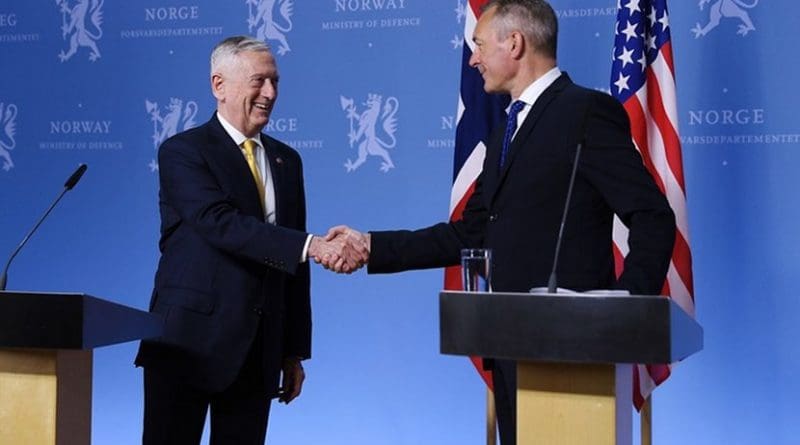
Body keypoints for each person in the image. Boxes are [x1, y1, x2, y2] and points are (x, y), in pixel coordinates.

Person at [323, 1, 677, 444]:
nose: (472, 58)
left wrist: (627, 303)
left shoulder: (587, 112)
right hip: (511, 344)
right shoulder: (503, 130)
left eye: (478, 44)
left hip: (576, 348)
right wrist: (371, 245)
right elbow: (469, 233)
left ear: (514, 43)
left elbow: (652, 216)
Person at [135, 36, 365, 445]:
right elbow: (219, 222)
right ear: (218, 85)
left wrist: (293, 351)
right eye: (259, 81)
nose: (271, 94)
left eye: (275, 82)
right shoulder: (184, 151)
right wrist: (311, 244)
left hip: (256, 352)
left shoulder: (287, 160)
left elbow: (293, 265)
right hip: (186, 344)